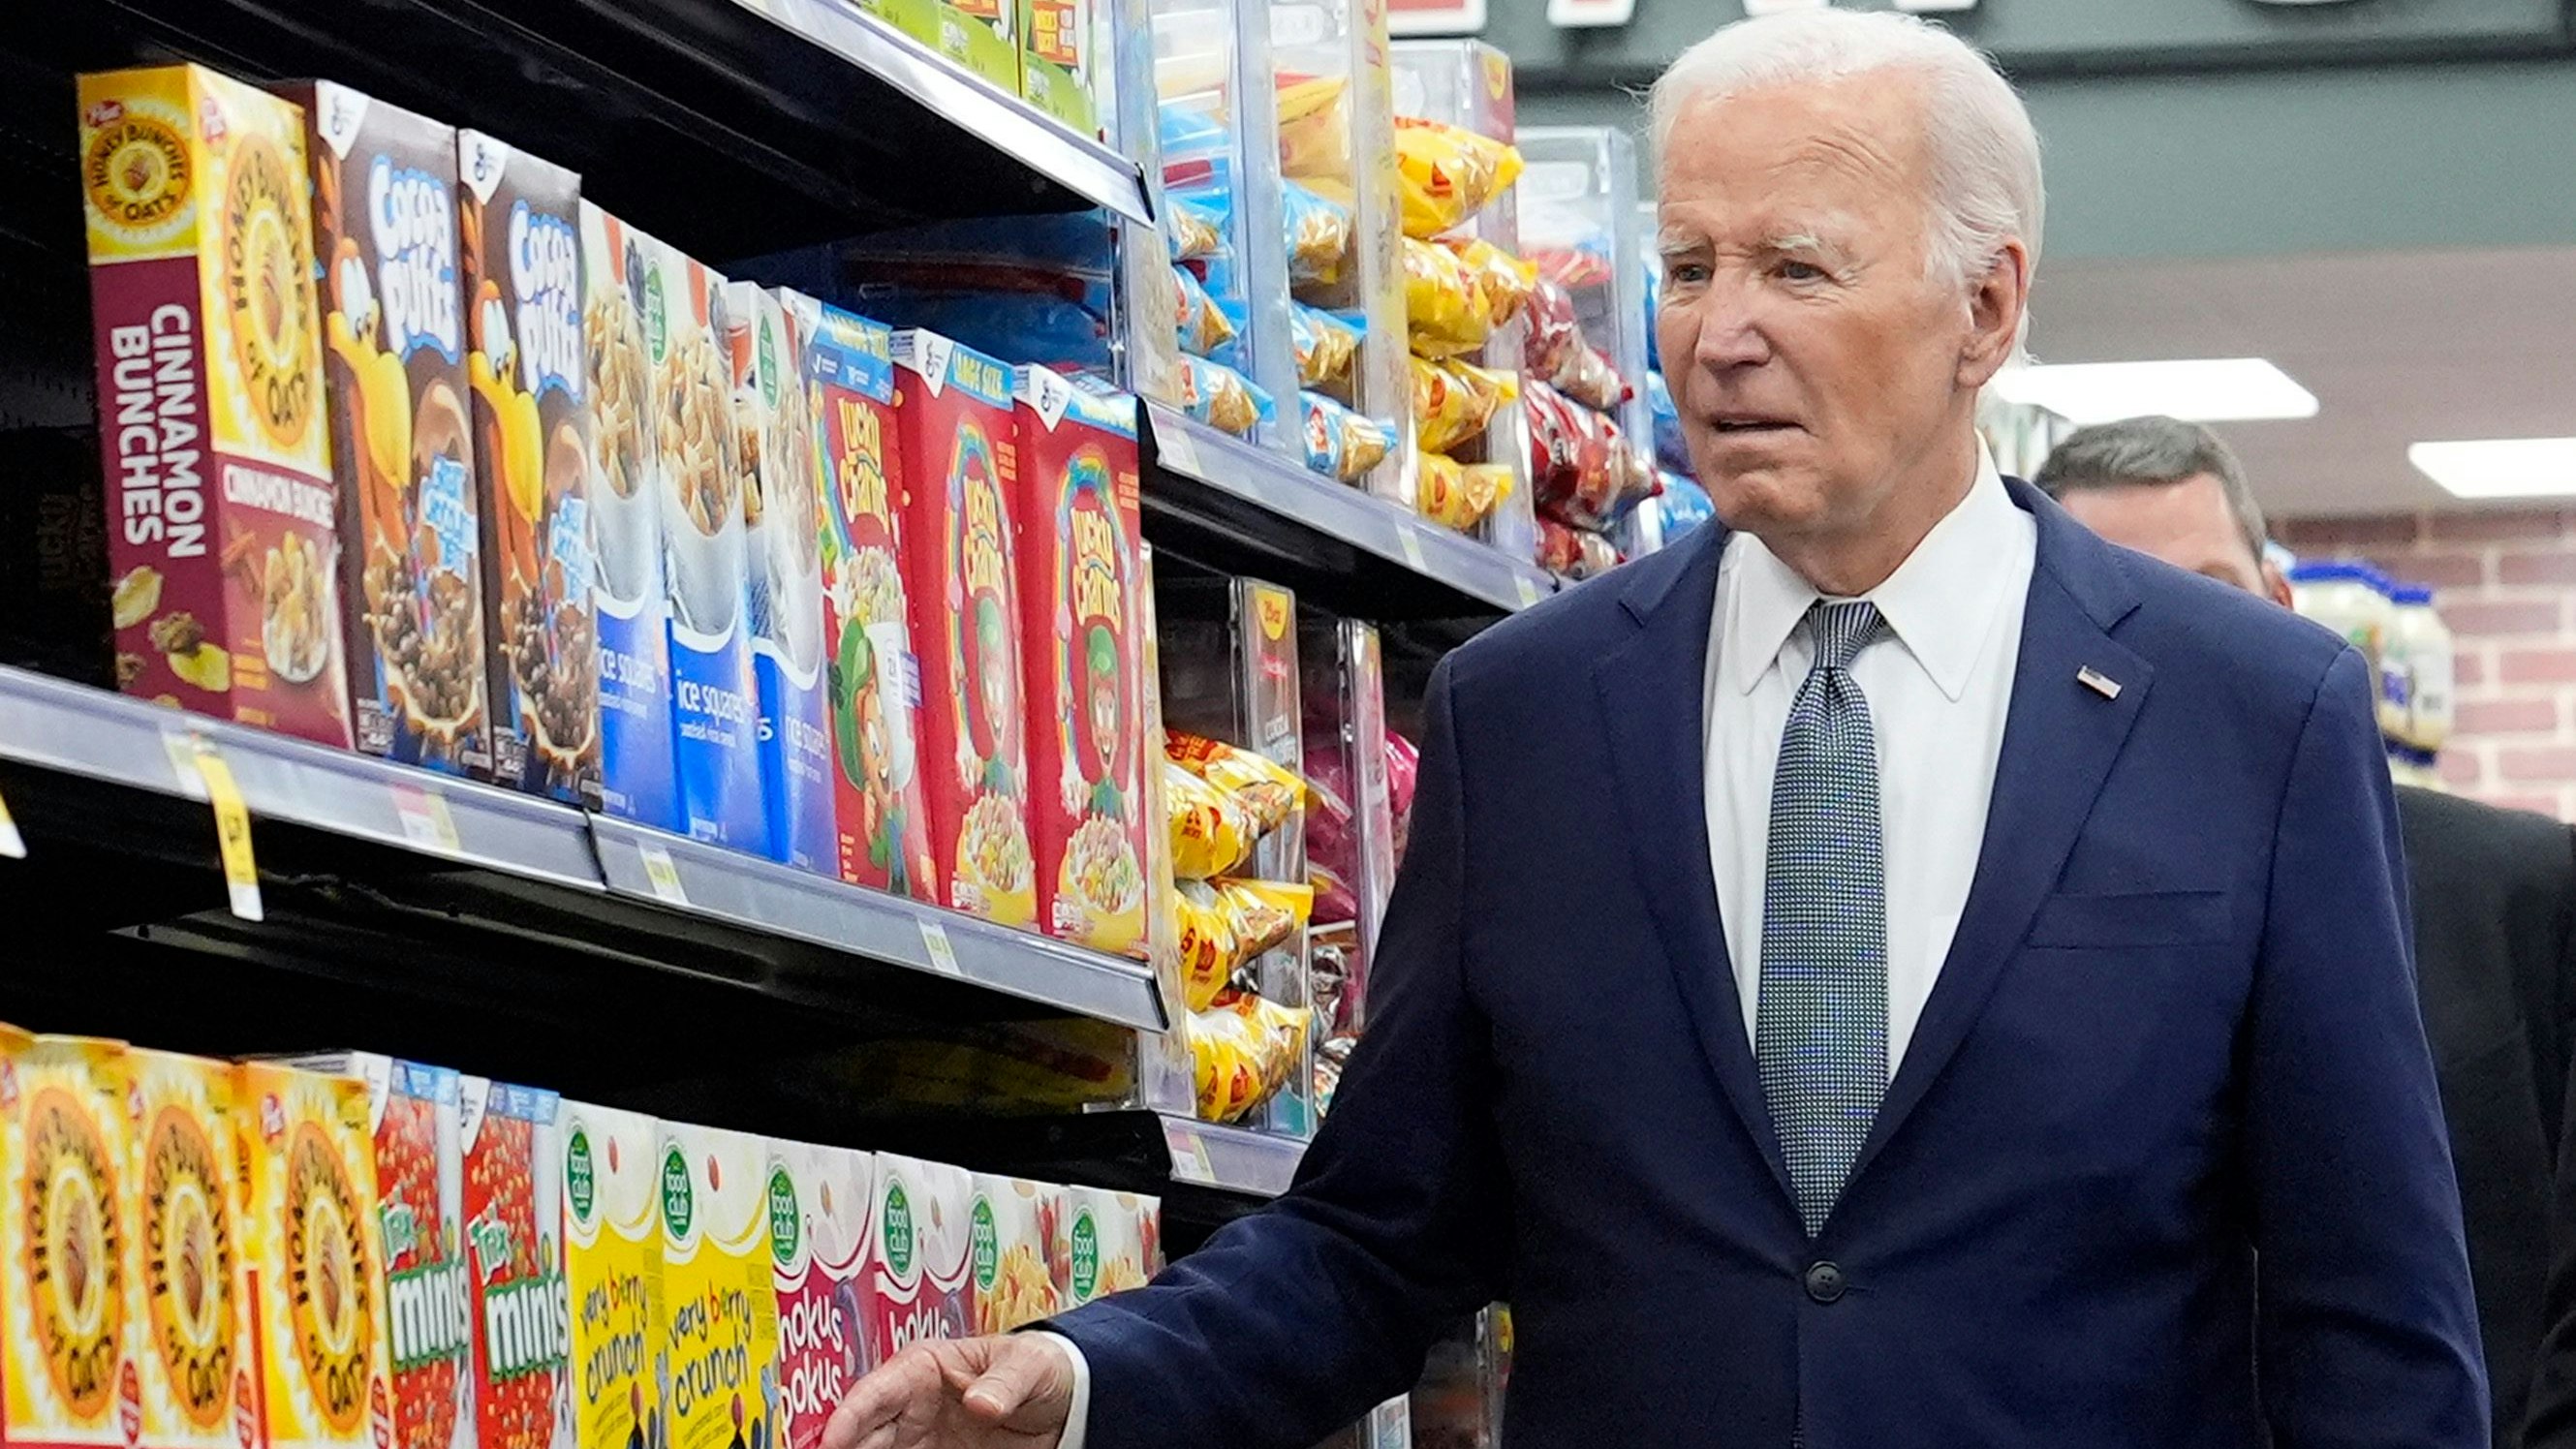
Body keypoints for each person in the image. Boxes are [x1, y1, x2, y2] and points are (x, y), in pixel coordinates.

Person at [823, 13, 2487, 1448]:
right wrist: (1081, 1375)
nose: (1716, 330)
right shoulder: (1532, 711)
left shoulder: (2245, 714)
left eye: (1793, 267)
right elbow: (1376, 1237)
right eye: (1687, 266)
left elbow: (2371, 1324)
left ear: (1984, 310)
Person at [2040, 414, 2576, 1449]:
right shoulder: (1997, 935)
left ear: (2279, 608)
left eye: (2212, 594)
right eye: (2125, 606)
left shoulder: (2523, 893)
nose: (2174, 647)